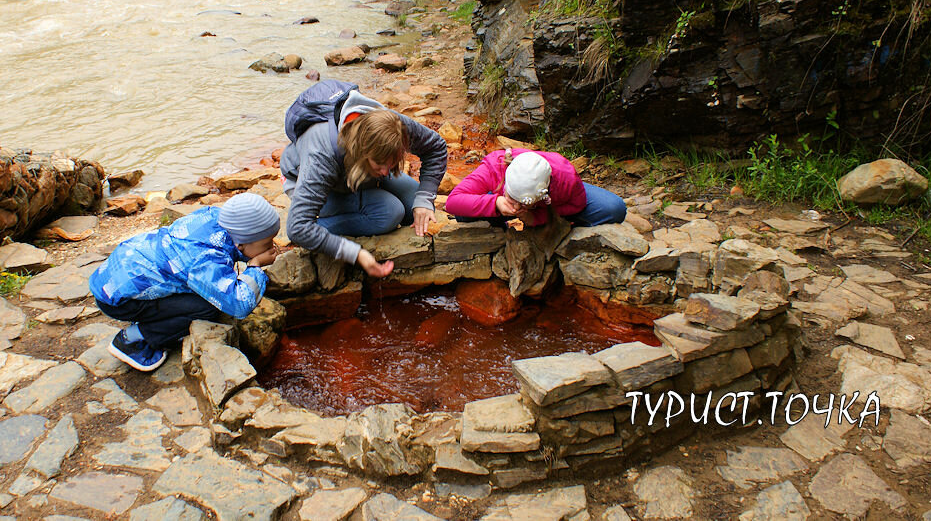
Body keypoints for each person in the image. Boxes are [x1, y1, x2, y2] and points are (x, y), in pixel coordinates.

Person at [88, 193, 280, 371]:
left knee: (203, 291)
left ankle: (152, 315)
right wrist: (255, 266)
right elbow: (238, 305)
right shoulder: (205, 257)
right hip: (118, 302)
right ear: (241, 244)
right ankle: (134, 339)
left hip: (115, 275)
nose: (271, 248)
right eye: (266, 244)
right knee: (207, 308)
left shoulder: (215, 218)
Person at [280, 85, 447, 278]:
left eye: (391, 163)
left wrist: (425, 199)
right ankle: (323, 227)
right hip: (322, 181)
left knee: (414, 204)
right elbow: (297, 227)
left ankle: (372, 181)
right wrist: (355, 253)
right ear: (362, 151)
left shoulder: (391, 125)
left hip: (359, 169)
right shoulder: (322, 153)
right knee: (389, 212)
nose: (386, 172)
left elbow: (436, 147)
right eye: (380, 165)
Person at [444, 149, 626, 228]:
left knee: (614, 209)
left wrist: (537, 217)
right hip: (500, 199)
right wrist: (497, 202)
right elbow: (452, 202)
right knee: (464, 212)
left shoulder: (565, 176)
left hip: (549, 204)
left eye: (522, 204)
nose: (515, 207)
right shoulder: (495, 167)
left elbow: (577, 205)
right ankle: (501, 229)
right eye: (512, 198)